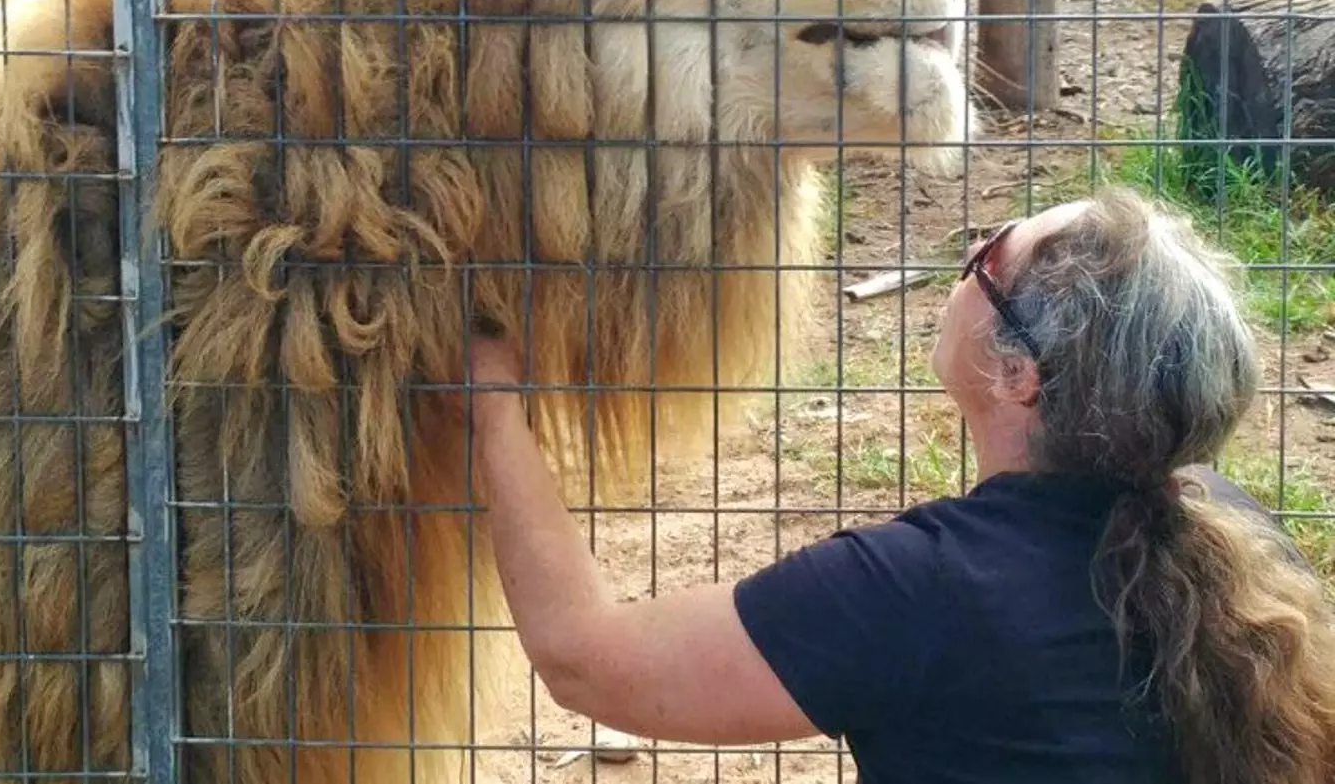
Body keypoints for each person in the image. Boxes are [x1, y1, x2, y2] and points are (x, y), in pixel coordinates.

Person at [456, 186, 1335, 784]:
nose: (968, 254)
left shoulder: (925, 588)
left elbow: (584, 658)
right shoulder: (1233, 527)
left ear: (1019, 373)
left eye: (989, 255)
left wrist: (492, 405)